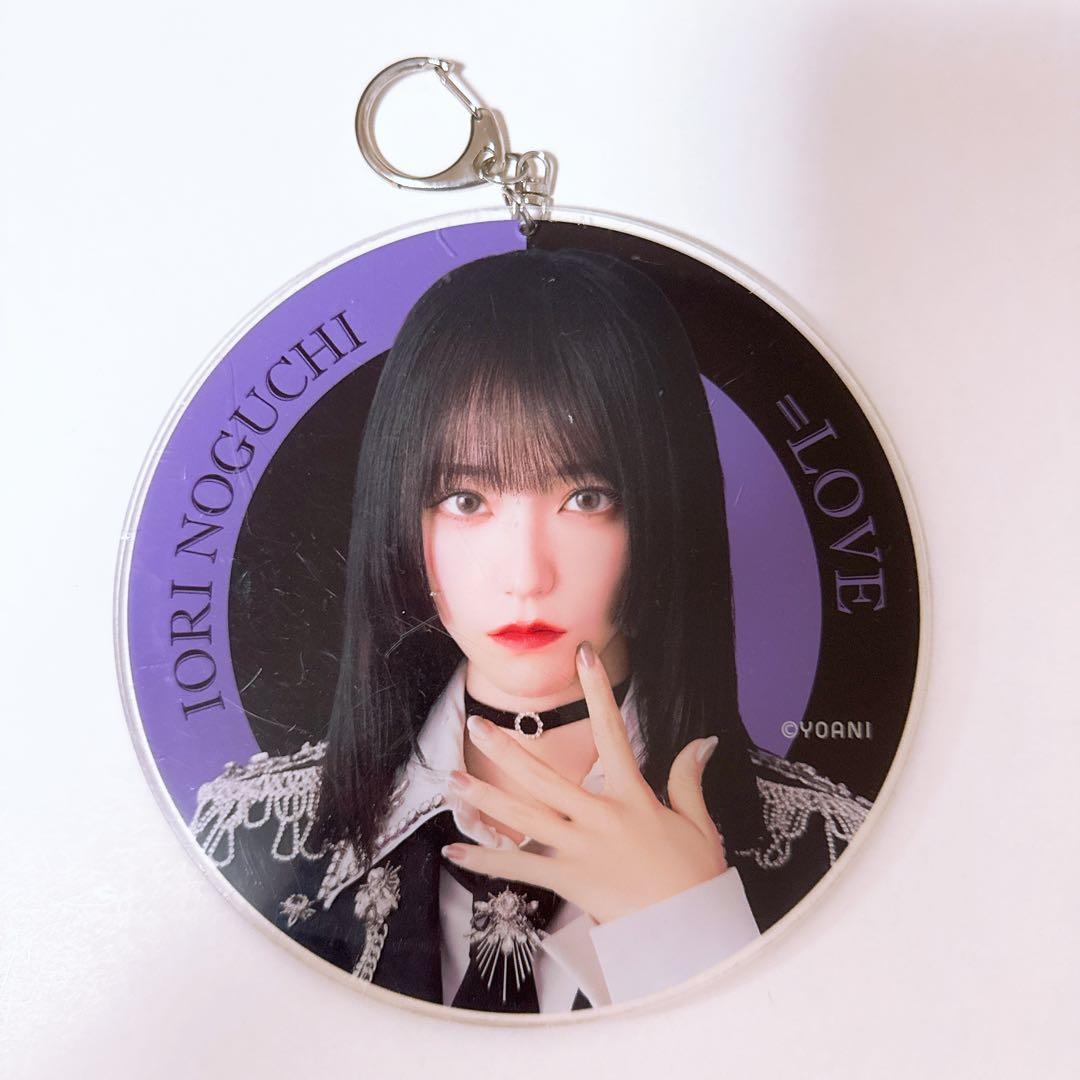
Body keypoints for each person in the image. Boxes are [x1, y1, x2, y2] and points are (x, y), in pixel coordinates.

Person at [191, 247, 873, 1013]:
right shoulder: (251, 832)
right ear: (399, 514)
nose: (525, 575)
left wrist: (688, 934)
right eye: (466, 500)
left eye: (586, 498)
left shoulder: (827, 846)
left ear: (663, 507)